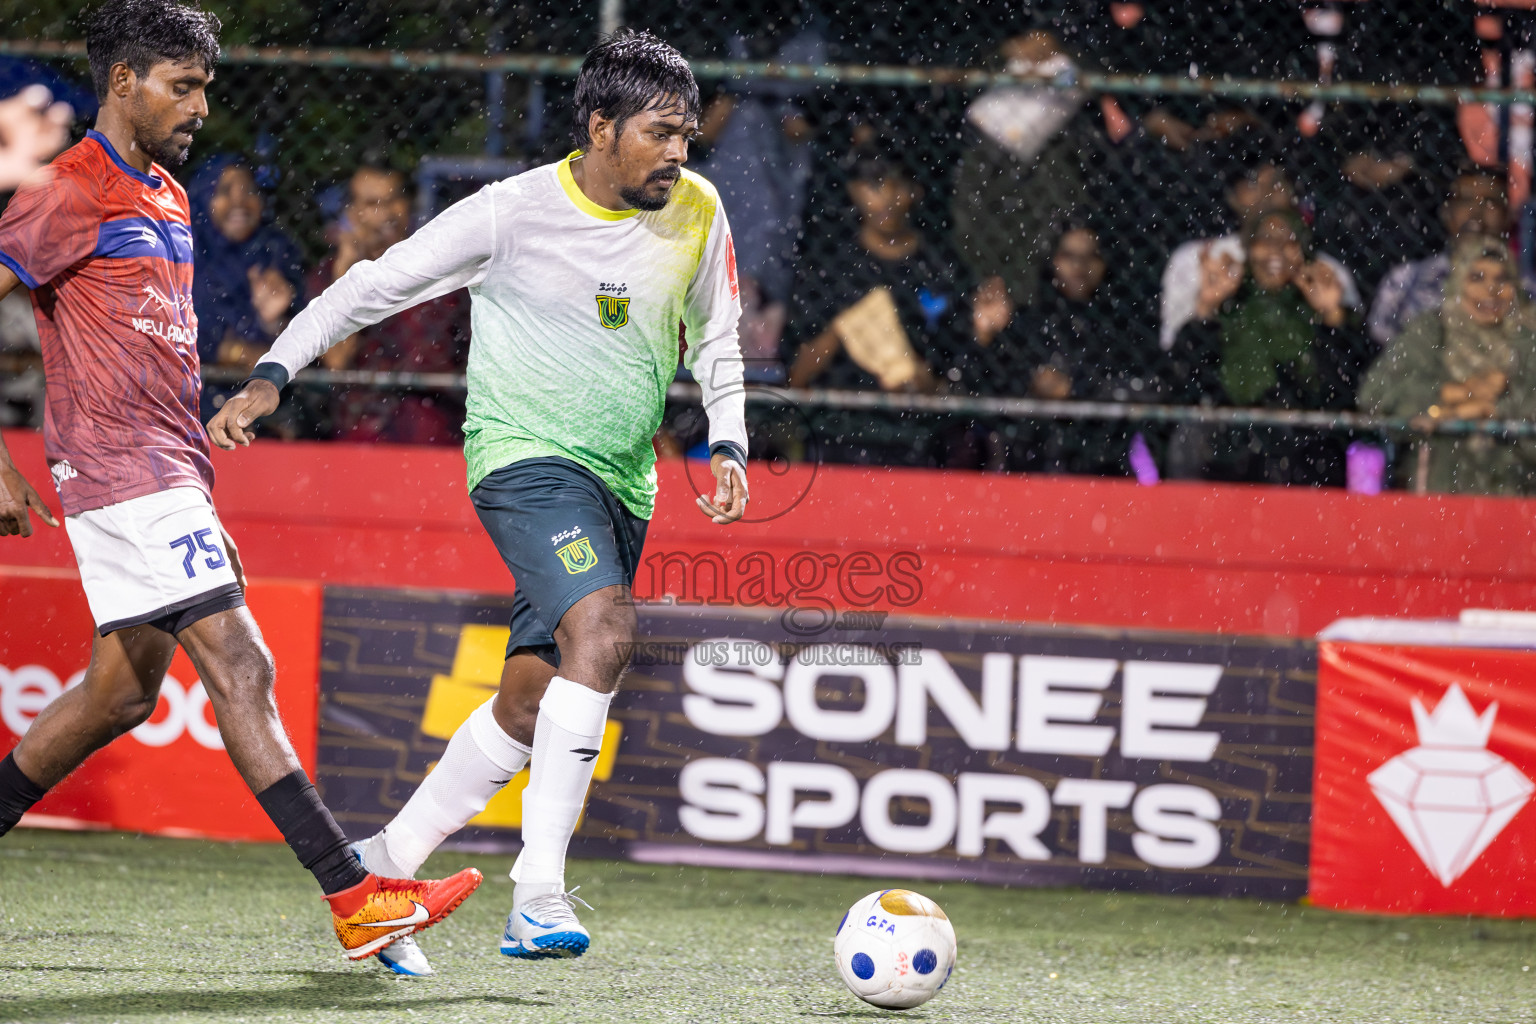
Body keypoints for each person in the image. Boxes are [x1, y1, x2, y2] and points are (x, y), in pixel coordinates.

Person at [207, 29, 748, 974]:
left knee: (530, 697)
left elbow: (719, 336)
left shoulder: (697, 211)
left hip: (626, 481)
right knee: (607, 631)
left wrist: (731, 435)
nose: (679, 152)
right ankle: (537, 894)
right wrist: (276, 371)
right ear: (600, 126)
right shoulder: (509, 214)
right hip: (525, 462)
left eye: (689, 133)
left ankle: (386, 867)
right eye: (661, 132)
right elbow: (371, 287)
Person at [0, 0, 480, 965]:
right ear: (124, 82)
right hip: (125, 471)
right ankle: (355, 896)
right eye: (183, 86)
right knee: (243, 663)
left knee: (119, 698)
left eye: (207, 87)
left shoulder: (171, 196)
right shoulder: (67, 190)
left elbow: (147, 339)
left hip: (170, 465)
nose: (200, 106)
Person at [1163, 208, 1367, 485]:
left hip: (1306, 443)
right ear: (1248, 248)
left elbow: (1351, 388)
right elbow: (1184, 379)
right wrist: (1207, 306)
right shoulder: (1231, 305)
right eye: (1265, 241)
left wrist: (1332, 315)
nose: (1276, 251)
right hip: (1231, 440)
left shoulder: (1315, 308)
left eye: (1289, 241)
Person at [1361, 234, 1536, 494]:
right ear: (1457, 283)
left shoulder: (1527, 340)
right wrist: (1456, 393)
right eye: (1477, 278)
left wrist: (1491, 409)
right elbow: (1375, 396)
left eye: (1502, 279)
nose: (1492, 290)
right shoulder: (1432, 330)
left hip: (1516, 492)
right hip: (1438, 489)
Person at [312, 164, 470, 444]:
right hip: (360, 431)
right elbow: (336, 361)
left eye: (393, 199)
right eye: (373, 203)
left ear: (407, 205)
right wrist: (345, 275)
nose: (386, 213)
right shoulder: (329, 274)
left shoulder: (440, 267)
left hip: (436, 429)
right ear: (352, 213)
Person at [1159, 161, 1361, 351]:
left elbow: (1362, 357)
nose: (1267, 195)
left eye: (1277, 184)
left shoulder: (1327, 270)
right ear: (1234, 196)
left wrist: (1332, 314)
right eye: (1255, 183)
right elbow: (1171, 357)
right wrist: (1207, 305)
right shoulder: (1199, 258)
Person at [188, 153, 306, 424]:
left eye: (249, 190)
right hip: (192, 401)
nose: (239, 201)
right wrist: (234, 352)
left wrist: (273, 322)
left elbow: (309, 345)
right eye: (224, 191)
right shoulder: (183, 254)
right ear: (202, 198)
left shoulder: (276, 254)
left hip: (266, 408)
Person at [1368, 169, 1513, 348]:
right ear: (1447, 212)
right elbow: (1380, 344)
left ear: (1508, 215)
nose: (1477, 211)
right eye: (1465, 200)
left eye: (1490, 201)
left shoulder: (1525, 283)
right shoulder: (1406, 279)